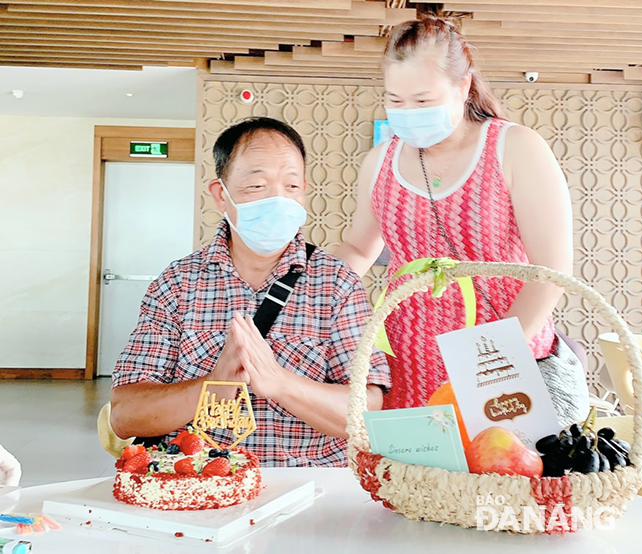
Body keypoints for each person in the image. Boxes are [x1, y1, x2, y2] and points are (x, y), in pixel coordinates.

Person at [333, 16, 589, 424]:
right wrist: (311, 291)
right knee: (415, 482)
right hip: (408, 356)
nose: (407, 113)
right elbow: (359, 248)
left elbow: (550, 270)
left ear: (464, 86)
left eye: (422, 100)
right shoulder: (379, 161)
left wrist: (491, 360)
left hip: (503, 353)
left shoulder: (516, 147)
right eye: (395, 101)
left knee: (503, 473)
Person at [110, 117, 391, 467]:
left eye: (291, 186)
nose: (278, 199)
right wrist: (213, 385)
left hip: (309, 494)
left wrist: (280, 383)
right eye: (257, 186)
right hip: (199, 490)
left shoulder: (337, 284)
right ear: (220, 195)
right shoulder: (178, 283)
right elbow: (125, 415)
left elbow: (367, 412)